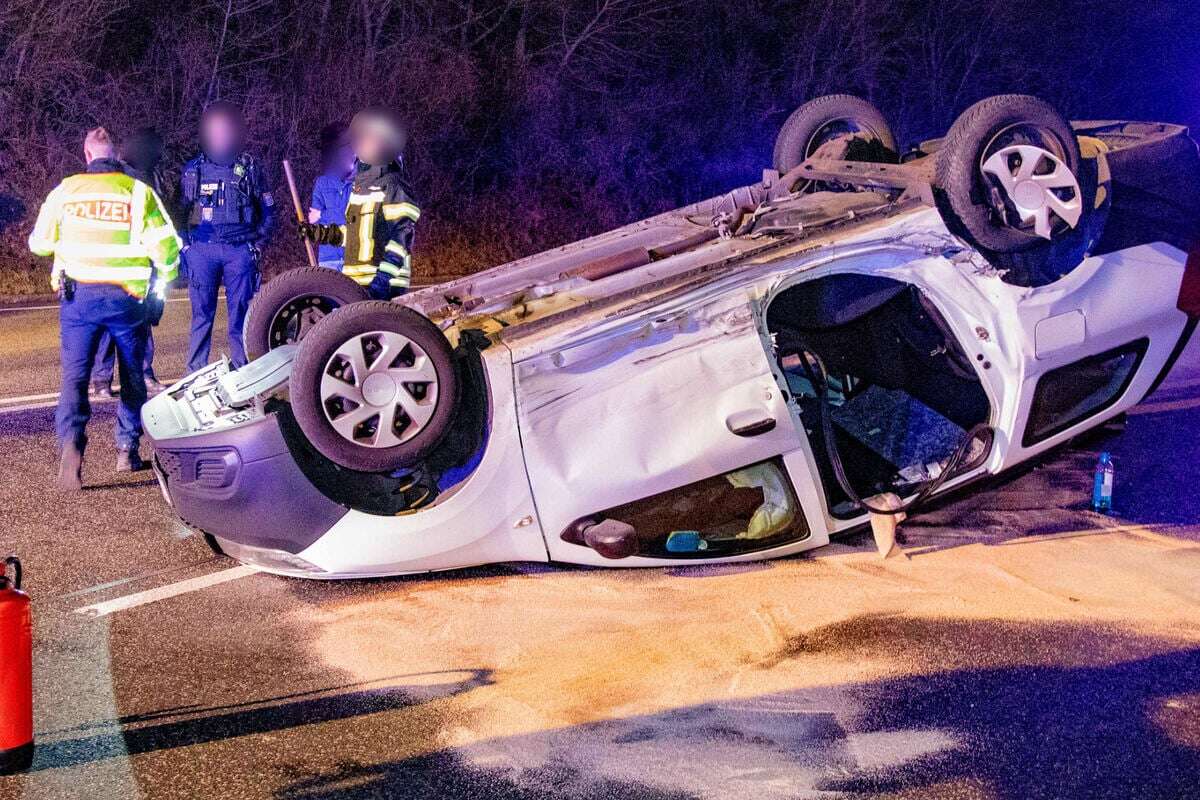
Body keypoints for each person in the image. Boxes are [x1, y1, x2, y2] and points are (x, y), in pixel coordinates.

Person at [27, 127, 181, 491]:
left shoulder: (65, 191)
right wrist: (162, 286)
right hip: (127, 300)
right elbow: (168, 249)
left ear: (87, 154)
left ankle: (71, 449)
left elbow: (40, 244)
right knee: (131, 378)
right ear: (115, 155)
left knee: (74, 379)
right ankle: (126, 450)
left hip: (79, 300)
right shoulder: (139, 193)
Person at [178, 101, 277, 373]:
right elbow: (177, 212)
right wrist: (186, 247)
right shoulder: (193, 170)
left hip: (239, 250)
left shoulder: (250, 168)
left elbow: (269, 212)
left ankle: (243, 370)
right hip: (203, 250)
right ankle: (194, 371)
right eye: (215, 131)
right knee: (201, 316)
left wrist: (256, 245)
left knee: (241, 317)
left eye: (225, 130)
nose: (220, 136)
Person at [298, 108, 418, 299]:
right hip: (358, 284)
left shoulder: (393, 183)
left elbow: (401, 237)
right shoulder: (362, 186)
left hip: (385, 286)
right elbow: (355, 235)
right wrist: (319, 233)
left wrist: (383, 279)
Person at [90, 127, 172, 396]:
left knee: (138, 322)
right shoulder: (125, 178)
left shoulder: (144, 176)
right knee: (126, 324)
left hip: (130, 264)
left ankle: (126, 378)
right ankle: (108, 379)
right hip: (119, 263)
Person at [308, 124, 354, 271]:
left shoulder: (360, 182)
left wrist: (323, 214)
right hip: (329, 258)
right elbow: (313, 221)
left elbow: (356, 217)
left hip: (354, 257)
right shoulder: (322, 183)